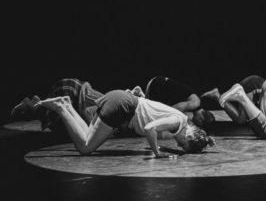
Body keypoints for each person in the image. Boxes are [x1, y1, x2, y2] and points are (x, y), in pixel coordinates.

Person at [34, 89, 215, 157]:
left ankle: (66, 105)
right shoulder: (178, 121)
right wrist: (156, 152)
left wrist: (206, 140)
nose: (178, 144)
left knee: (87, 136)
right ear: (189, 134)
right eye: (182, 143)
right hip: (122, 106)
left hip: (121, 100)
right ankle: (61, 108)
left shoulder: (180, 120)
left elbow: (151, 113)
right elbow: (149, 128)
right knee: (85, 148)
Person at [10, 78, 105, 136]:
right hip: (99, 114)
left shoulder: (59, 89)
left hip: (94, 109)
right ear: (30, 113)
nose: (34, 96)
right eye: (30, 101)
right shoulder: (53, 119)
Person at [144, 76, 214, 129]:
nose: (195, 123)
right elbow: (175, 108)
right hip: (157, 85)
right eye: (198, 124)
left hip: (160, 85)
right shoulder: (194, 104)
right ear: (201, 119)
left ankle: (140, 96)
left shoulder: (195, 104)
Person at [201, 75, 265, 124]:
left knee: (243, 118)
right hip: (253, 85)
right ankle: (217, 96)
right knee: (241, 119)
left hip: (254, 84)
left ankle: (217, 96)